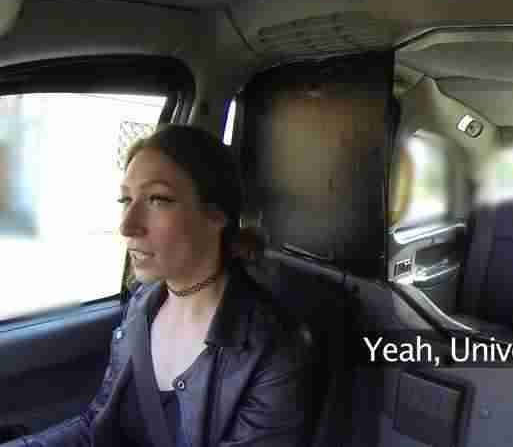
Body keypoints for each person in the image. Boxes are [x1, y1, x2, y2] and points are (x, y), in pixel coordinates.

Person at [3, 125, 310, 447]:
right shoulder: (142, 304)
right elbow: (97, 427)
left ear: (216, 215)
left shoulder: (273, 351)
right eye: (126, 199)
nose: (127, 225)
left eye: (158, 199)